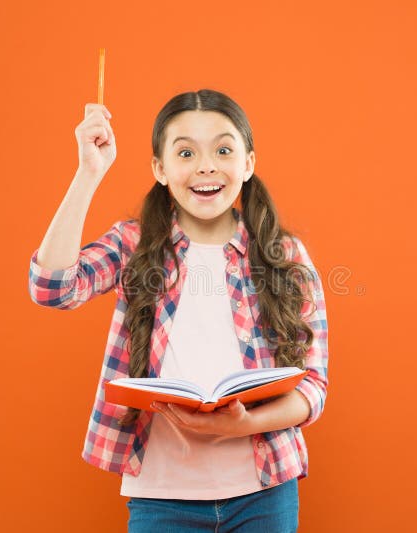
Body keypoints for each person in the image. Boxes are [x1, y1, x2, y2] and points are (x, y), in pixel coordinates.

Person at [28, 89, 328, 532]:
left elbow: (314, 388)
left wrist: (243, 425)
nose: (206, 165)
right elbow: (51, 288)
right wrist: (87, 174)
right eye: (185, 152)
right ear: (160, 169)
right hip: (160, 497)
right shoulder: (134, 245)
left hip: (265, 493)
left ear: (247, 163)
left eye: (223, 149)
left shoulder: (284, 254)